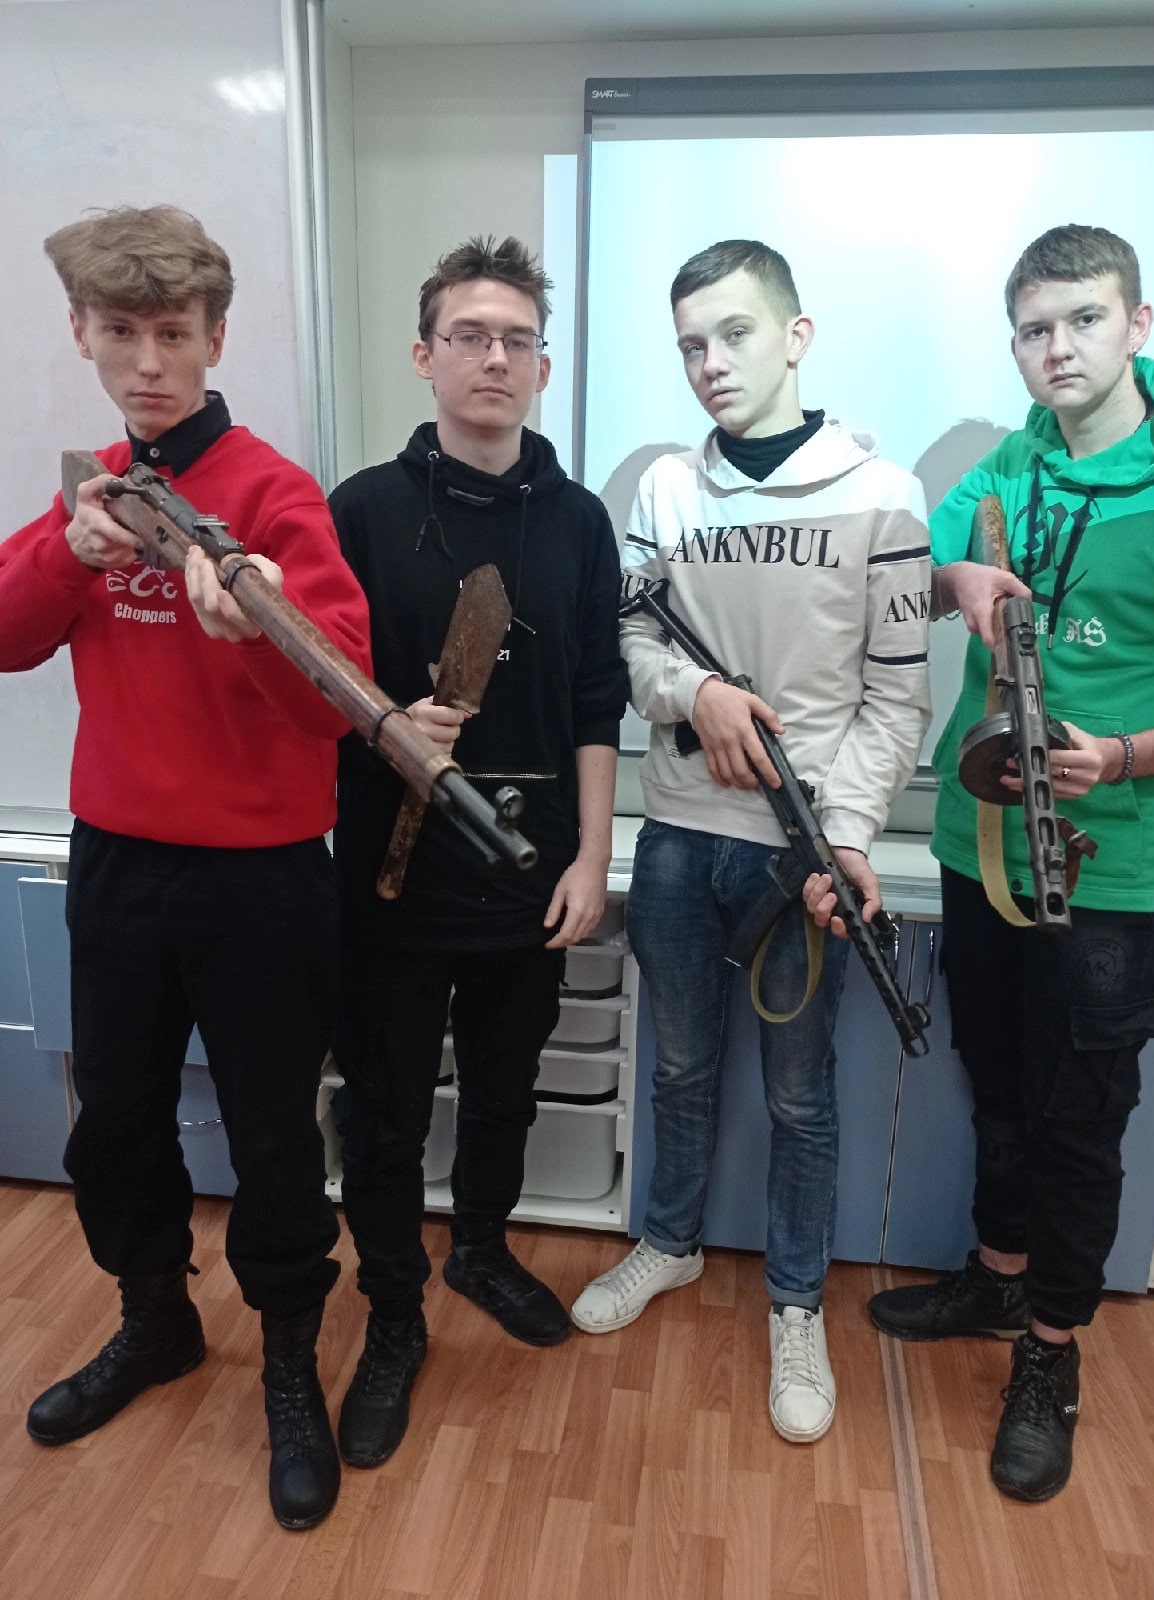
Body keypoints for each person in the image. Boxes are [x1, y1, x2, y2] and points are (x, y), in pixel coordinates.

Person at [0, 205, 373, 1531]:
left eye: (173, 332)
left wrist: (255, 624)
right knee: (115, 1119)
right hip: (116, 864)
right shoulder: (93, 490)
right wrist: (69, 549)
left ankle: (286, 1366)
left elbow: (340, 705)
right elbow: (7, 633)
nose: (149, 361)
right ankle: (154, 1318)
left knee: (272, 1133)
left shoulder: (274, 495)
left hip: (262, 880)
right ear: (82, 335)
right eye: (122, 332)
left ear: (217, 336)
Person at [570, 239, 932, 1445]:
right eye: (689, 344)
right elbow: (631, 643)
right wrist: (697, 695)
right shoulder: (663, 492)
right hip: (678, 837)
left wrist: (844, 834)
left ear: (794, 335)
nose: (710, 363)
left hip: (801, 856)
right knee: (676, 1067)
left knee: (798, 1094)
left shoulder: (881, 494)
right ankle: (668, 1241)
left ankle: (793, 1301)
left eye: (733, 333)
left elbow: (896, 699)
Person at [861, 223, 1154, 1502]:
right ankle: (998, 1281)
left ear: (1137, 325)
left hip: (1110, 860)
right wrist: (958, 576)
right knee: (995, 1078)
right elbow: (922, 569)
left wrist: (1117, 755)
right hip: (980, 838)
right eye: (1033, 329)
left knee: (1077, 1111)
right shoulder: (1009, 460)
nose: (1056, 349)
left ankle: (1049, 1351)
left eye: (1082, 320)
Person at [328, 235, 626, 1469]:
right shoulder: (361, 510)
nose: (492, 357)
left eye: (514, 339)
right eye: (468, 335)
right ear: (425, 355)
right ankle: (394, 1312)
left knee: (505, 1088)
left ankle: (484, 1250)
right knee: (386, 1111)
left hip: (528, 872)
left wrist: (590, 858)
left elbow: (596, 701)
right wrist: (388, 722)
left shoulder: (579, 521)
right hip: (389, 878)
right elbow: (313, 686)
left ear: (541, 364)